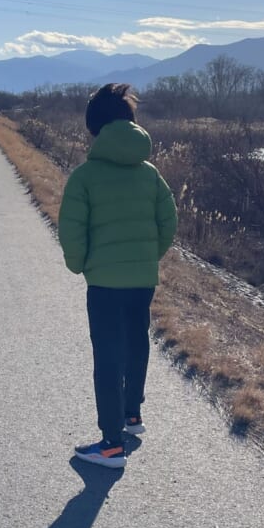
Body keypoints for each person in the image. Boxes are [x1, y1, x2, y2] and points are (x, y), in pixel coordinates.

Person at [58, 83, 177, 468]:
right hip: (142, 278)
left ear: (94, 128)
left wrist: (80, 264)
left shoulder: (85, 177)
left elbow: (72, 230)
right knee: (135, 342)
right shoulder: (150, 174)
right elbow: (168, 221)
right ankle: (132, 414)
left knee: (107, 355)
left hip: (104, 282)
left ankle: (111, 445)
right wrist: (148, 256)